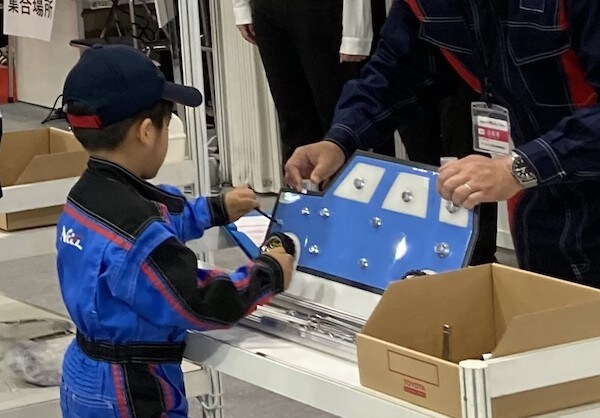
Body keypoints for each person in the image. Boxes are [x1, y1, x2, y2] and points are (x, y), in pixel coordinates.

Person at [285, 0, 600, 286]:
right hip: (541, 200)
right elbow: (397, 69)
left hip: (573, 174)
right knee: (557, 310)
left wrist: (517, 168)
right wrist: (340, 139)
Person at [57, 45, 295, 418]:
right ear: (146, 132)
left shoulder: (86, 197)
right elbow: (198, 302)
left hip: (83, 376)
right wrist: (268, 273)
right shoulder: (138, 233)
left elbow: (159, 218)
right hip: (130, 392)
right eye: (167, 125)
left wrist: (215, 209)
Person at [233, 0, 378, 164]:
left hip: (323, 11)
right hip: (267, 10)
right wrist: (241, 6)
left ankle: (348, 179)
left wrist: (356, 34)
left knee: (338, 120)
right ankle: (301, 179)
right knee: (291, 119)